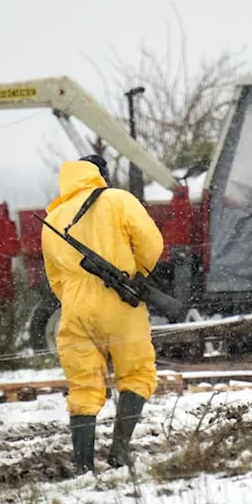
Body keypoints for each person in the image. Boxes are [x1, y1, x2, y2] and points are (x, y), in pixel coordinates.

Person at [41, 154, 165, 473]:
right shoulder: (117, 200)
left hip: (74, 310)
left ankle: (83, 465)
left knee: (83, 386)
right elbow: (152, 244)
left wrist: (76, 299)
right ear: (101, 175)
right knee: (137, 374)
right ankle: (119, 451)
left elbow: (54, 278)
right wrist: (138, 275)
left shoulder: (53, 218)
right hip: (120, 303)